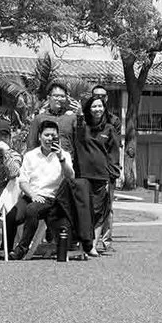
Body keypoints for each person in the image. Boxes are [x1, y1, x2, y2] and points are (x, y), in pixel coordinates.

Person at [9, 122, 87, 261]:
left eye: (53, 136)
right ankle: (6, 249)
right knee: (11, 215)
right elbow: (23, 181)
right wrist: (32, 195)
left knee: (32, 210)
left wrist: (60, 158)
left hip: (51, 198)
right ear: (40, 136)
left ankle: (22, 249)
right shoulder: (30, 155)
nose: (49, 138)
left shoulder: (64, 155)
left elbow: (71, 177)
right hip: (31, 195)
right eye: (46, 135)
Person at [71, 95, 120, 257]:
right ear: (88, 109)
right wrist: (79, 115)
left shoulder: (109, 129)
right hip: (82, 175)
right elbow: (77, 135)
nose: (97, 109)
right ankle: (82, 242)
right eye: (94, 106)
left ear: (104, 108)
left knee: (99, 211)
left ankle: (92, 245)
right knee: (84, 210)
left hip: (102, 176)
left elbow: (113, 154)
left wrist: (113, 175)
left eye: (100, 106)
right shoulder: (82, 127)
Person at [28, 82, 80, 153]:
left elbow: (80, 140)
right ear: (49, 98)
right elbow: (32, 143)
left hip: (66, 160)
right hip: (45, 160)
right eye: (56, 96)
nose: (59, 99)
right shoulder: (39, 118)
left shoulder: (71, 118)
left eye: (62, 96)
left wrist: (80, 115)